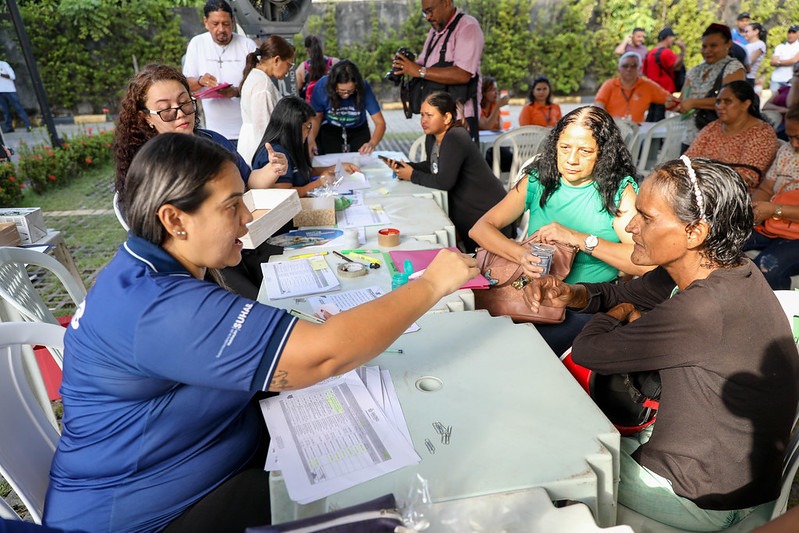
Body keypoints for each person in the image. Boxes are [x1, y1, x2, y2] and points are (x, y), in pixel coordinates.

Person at [43, 132, 478, 533]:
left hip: (196, 469)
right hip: (145, 517)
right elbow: (325, 354)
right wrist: (431, 284)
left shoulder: (146, 270)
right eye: (232, 205)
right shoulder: (159, 306)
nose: (248, 217)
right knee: (400, 503)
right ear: (175, 219)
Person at [524, 156, 799, 531]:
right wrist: (573, 294)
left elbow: (590, 351)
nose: (631, 226)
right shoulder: (726, 268)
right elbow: (625, 293)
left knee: (539, 448)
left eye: (647, 217)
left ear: (695, 232)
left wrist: (619, 312)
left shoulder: (705, 308)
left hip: (698, 496)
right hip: (725, 471)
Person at [469, 106, 649, 356]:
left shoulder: (617, 191)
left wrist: (577, 238)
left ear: (604, 153)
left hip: (584, 303)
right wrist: (521, 255)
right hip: (530, 296)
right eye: (564, 148)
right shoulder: (539, 180)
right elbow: (480, 229)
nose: (571, 159)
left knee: (522, 351)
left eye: (585, 151)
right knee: (484, 341)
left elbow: (643, 262)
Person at [112, 64, 287, 300]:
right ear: (146, 117)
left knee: (288, 274)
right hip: (205, 259)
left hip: (242, 240)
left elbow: (248, 183)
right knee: (258, 301)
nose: (180, 113)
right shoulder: (147, 168)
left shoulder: (213, 142)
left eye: (185, 103)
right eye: (165, 110)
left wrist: (271, 170)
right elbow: (161, 240)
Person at [382, 92, 511, 253]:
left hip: (487, 213)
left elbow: (444, 181)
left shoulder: (456, 137)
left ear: (447, 117)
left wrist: (412, 175)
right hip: (468, 212)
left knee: (477, 260)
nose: (423, 120)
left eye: (429, 115)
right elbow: (433, 166)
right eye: (422, 115)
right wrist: (407, 167)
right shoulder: (433, 137)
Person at [391, 0, 483, 141]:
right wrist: (406, 65)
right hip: (435, 118)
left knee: (454, 156)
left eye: (430, 11)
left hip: (459, 119)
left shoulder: (468, 27)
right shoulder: (435, 32)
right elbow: (424, 65)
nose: (428, 17)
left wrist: (420, 71)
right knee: (433, 156)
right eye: (424, 13)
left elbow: (463, 74)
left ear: (446, 3)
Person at [252, 96, 360, 198]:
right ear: (293, 126)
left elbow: (305, 173)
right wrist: (319, 183)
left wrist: (336, 168)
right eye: (307, 126)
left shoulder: (293, 144)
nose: (309, 131)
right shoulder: (276, 153)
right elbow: (285, 194)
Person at [183, 0, 257, 144]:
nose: (221, 29)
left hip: (246, 132)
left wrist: (235, 92)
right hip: (212, 133)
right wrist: (200, 81)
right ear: (206, 22)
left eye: (226, 24)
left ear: (233, 21)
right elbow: (185, 85)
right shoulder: (197, 44)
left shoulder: (247, 45)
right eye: (215, 24)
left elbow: (258, 84)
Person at [684, 80, 778, 190]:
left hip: (734, 194)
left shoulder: (761, 133)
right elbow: (687, 160)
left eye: (727, 102)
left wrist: (701, 176)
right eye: (718, 102)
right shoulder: (713, 127)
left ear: (745, 104)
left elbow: (746, 177)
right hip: (699, 188)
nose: (720, 106)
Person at [744, 105, 799, 289]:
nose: (794, 144)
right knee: (722, 240)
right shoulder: (787, 152)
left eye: (798, 137)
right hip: (773, 224)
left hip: (790, 231)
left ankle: (775, 308)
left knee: (766, 267)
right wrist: (752, 210)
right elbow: (767, 189)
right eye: (790, 137)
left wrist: (774, 210)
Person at [673, 23, 745, 150]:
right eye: (704, 46)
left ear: (728, 44)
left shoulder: (734, 68)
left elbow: (732, 102)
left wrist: (693, 103)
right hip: (690, 138)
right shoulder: (695, 70)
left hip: (718, 140)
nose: (707, 51)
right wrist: (673, 103)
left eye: (713, 46)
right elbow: (683, 102)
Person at [237, 36, 295, 166]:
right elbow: (264, 128)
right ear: (277, 60)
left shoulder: (257, 77)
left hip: (252, 145)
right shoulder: (262, 85)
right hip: (260, 151)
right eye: (289, 64)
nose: (288, 70)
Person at [308, 60, 385, 155]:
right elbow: (316, 118)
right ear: (333, 85)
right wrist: (311, 139)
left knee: (361, 159)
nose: (346, 95)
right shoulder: (321, 87)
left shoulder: (363, 87)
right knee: (330, 158)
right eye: (341, 91)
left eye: (350, 91)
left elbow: (380, 123)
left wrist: (372, 143)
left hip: (358, 129)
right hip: (331, 128)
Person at [594, 52, 674, 124]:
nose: (629, 69)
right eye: (625, 66)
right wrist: (607, 122)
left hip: (638, 131)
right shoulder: (609, 84)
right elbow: (598, 104)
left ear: (639, 68)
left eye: (633, 66)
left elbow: (671, 100)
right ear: (619, 69)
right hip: (612, 129)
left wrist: (670, 103)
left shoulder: (648, 86)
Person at [642, 28, 686, 122]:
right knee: (660, 118)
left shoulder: (650, 53)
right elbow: (675, 66)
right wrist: (682, 51)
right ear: (668, 38)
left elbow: (644, 71)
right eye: (672, 38)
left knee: (651, 115)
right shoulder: (666, 52)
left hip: (651, 90)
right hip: (665, 91)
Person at [296, 35, 338, 104]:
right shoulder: (334, 62)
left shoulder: (303, 67)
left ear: (306, 50)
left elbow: (295, 90)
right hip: (331, 106)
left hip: (312, 107)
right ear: (322, 47)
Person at [0, 60, 31, 133]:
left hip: (10, 91)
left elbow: (12, 76)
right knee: (5, 111)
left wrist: (1, 74)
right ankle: (9, 127)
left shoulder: (4, 64)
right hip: (0, 92)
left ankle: (28, 125)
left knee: (18, 108)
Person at [769, 25, 799, 93]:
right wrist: (787, 62)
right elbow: (772, 62)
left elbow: (794, 60)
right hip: (776, 79)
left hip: (790, 80)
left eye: (793, 33)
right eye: (789, 32)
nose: (790, 35)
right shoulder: (780, 46)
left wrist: (778, 62)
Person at [744, 22, 768, 87]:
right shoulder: (747, 45)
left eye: (747, 32)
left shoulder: (760, 45)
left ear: (756, 31)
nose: (745, 34)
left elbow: (749, 61)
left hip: (748, 78)